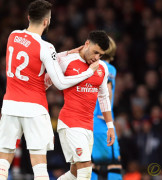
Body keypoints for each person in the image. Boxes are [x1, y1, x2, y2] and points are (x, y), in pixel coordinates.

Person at [0, 1, 99, 180]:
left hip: (10, 105)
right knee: (39, 165)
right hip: (34, 108)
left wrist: (66, 54)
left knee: (3, 159)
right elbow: (61, 83)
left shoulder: (13, 35)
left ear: (28, 17)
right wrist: (88, 72)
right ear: (47, 22)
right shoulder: (46, 48)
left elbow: (34, 61)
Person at [45, 30, 115, 180]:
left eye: (101, 55)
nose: (96, 57)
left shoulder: (101, 68)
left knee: (75, 172)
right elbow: (46, 79)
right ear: (87, 44)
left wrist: (110, 125)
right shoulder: (68, 61)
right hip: (70, 122)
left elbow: (103, 97)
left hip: (88, 125)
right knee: (85, 168)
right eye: (95, 52)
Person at [91, 37, 123, 180]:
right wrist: (106, 113)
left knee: (92, 164)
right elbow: (107, 90)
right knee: (114, 164)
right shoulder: (109, 69)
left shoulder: (92, 66)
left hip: (90, 122)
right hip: (103, 123)